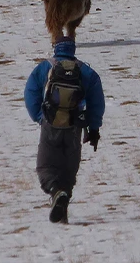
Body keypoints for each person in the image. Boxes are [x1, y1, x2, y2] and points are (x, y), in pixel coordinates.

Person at [24, 36, 105, 223]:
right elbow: (97, 102)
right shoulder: (86, 71)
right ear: (73, 49)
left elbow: (30, 92)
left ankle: (55, 191)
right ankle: (63, 204)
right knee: (68, 170)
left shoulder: (45, 68)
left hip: (50, 124)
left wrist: (39, 116)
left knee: (46, 167)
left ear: (56, 48)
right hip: (74, 126)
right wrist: (93, 129)